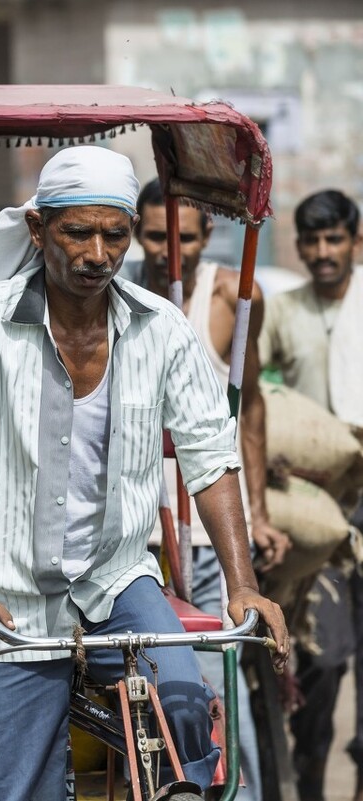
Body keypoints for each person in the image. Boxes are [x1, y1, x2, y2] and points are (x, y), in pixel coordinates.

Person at [0, 146, 288, 799]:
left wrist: (242, 584)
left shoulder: (161, 328)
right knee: (8, 786)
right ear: (38, 231)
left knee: (184, 707)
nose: (97, 253)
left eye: (114, 234)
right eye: (77, 232)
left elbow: (210, 451)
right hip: (7, 582)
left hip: (116, 576)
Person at [137, 178, 286, 800]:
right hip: (142, 522)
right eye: (154, 237)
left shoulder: (232, 295)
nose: (172, 253)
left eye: (186, 239)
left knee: (215, 676)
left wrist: (258, 512)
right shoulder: (116, 293)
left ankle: (237, 792)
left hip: (204, 523)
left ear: (207, 237)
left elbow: (247, 411)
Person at [257, 189, 363, 801]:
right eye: (312, 241)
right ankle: (312, 772)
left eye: (334, 240)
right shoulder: (283, 310)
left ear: (354, 243)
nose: (322, 253)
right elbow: (250, 400)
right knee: (322, 658)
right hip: (316, 510)